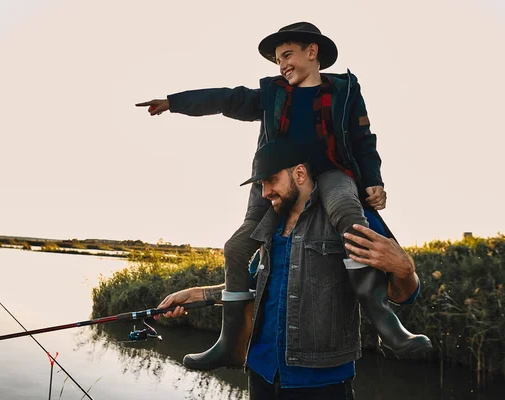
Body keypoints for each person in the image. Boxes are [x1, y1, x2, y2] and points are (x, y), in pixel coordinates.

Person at [137, 22, 431, 370]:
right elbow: (226, 98)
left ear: (312, 51)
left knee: (350, 216)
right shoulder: (272, 94)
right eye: (277, 59)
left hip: (332, 173)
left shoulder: (345, 91)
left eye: (287, 55)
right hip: (280, 175)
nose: (282, 65)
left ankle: (387, 325)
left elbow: (364, 141)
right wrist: (174, 102)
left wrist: (373, 181)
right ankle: (229, 344)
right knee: (238, 246)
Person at [158, 140, 423, 399]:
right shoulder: (269, 226)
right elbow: (258, 286)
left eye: (271, 180)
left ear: (299, 173)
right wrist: (197, 294)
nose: (265, 192)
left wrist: (404, 269)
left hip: (321, 382)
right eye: (261, 184)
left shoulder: (351, 215)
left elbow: (401, 295)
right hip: (262, 373)